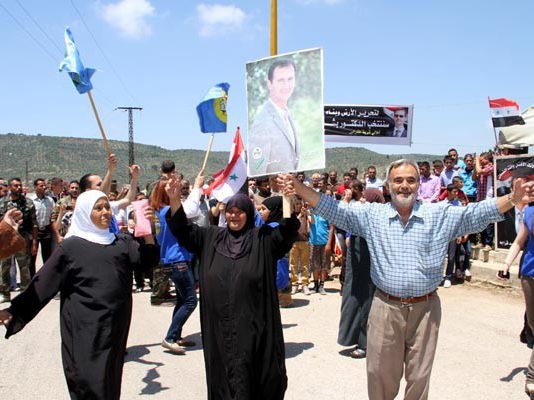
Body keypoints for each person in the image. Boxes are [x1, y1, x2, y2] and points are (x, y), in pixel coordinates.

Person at [279, 159, 534, 400]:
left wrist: (512, 198)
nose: (404, 185)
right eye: (398, 180)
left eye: (411, 180)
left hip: (426, 310)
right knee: (379, 376)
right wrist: (299, 187)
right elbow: (332, 209)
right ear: (388, 185)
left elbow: (476, 214)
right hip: (385, 308)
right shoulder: (372, 216)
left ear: (418, 184)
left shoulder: (439, 215)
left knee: (419, 378)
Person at [0, 190, 158, 400]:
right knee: (87, 381)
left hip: (115, 327)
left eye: (107, 207)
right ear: (84, 212)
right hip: (84, 328)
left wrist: (147, 229)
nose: (105, 213)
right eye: (98, 208)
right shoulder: (71, 247)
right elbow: (43, 284)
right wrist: (15, 311)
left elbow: (146, 261)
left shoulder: (120, 242)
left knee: (110, 380)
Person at [164, 178, 299, 400]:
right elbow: (182, 229)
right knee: (224, 375)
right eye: (230, 211)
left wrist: (286, 198)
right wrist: (174, 199)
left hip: (254, 325)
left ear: (248, 213)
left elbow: (286, 232)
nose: (234, 216)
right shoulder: (210, 237)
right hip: (219, 327)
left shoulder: (263, 239)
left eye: (239, 211)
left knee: (254, 376)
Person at [151, 176, 201, 354]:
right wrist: (197, 187)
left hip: (170, 260)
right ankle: (170, 337)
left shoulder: (159, 214)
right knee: (190, 301)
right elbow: (192, 209)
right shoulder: (169, 212)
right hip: (178, 260)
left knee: (182, 299)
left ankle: (176, 335)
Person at [338, 180, 384, 359]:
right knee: (355, 298)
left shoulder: (374, 223)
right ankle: (356, 338)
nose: (363, 199)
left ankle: (365, 343)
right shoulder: (361, 217)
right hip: (357, 262)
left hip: (366, 266)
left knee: (366, 301)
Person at [501, 204, 534, 398]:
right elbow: (519, 242)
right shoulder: (529, 211)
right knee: (532, 324)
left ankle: (531, 377)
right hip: (530, 275)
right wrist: (506, 264)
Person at [248, 58, 299, 175]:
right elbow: (257, 167)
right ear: (270, 84)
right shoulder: (263, 121)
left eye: (290, 79)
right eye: (281, 80)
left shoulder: (287, 115)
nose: (286, 85)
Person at [0, 178, 37, 303]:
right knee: (5, 266)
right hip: (6, 240)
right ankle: (4, 293)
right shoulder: (2, 203)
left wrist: (34, 242)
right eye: (15, 185)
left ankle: (25, 293)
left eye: (20, 185)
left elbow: (34, 224)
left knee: (24, 266)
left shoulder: (28, 203)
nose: (19, 187)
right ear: (10, 187)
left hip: (22, 239)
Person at [28, 178, 55, 278]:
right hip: (33, 231)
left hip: (46, 231)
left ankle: (46, 278)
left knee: (47, 257)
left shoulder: (50, 200)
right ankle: (32, 278)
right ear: (35, 187)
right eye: (41, 186)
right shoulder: (30, 200)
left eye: (44, 185)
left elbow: (53, 215)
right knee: (32, 257)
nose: (44, 187)